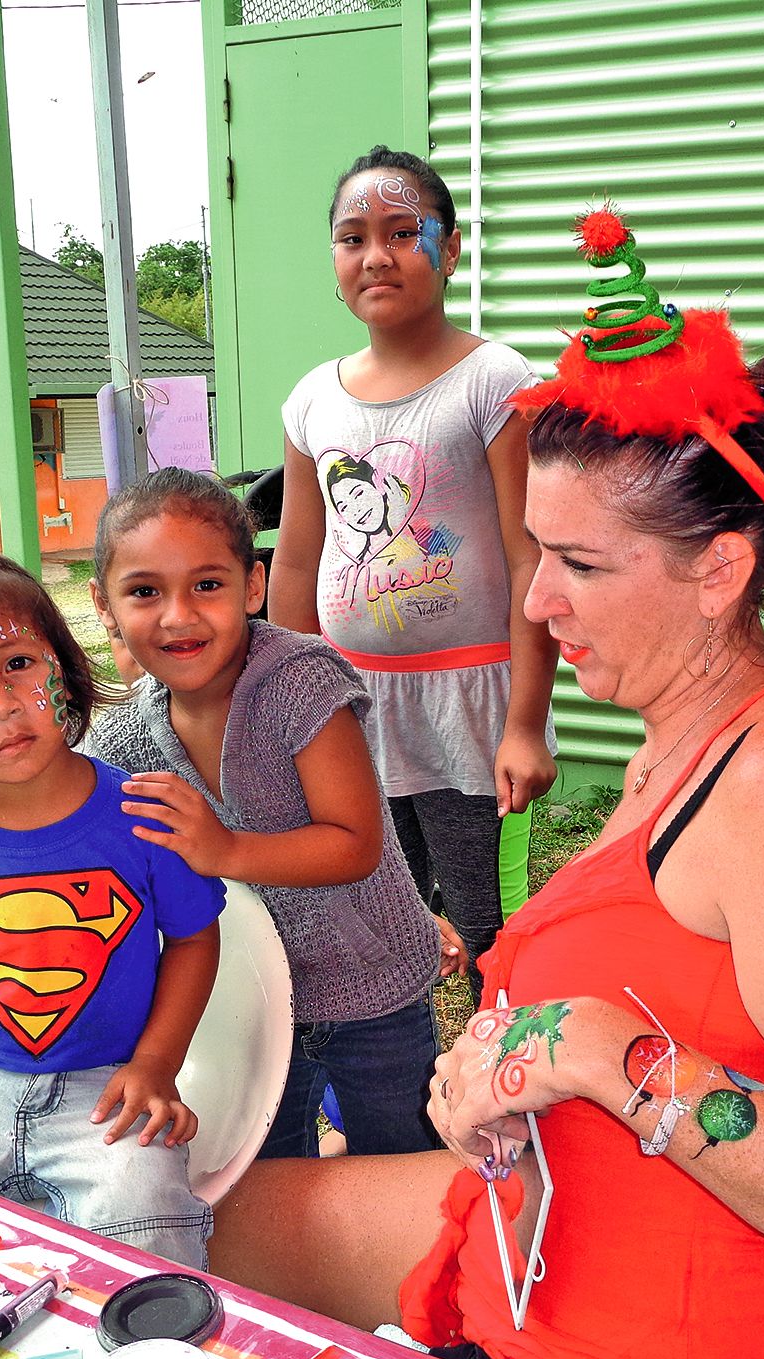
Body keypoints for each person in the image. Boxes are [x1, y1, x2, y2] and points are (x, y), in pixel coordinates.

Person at [210, 210, 764, 1359]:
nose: (532, 600)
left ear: (718, 568)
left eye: (574, 561)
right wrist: (501, 1056)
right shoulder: (677, 740)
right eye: (535, 550)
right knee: (176, 1218)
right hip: (527, 1253)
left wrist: (595, 1051)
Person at [0, 537, 226, 1266]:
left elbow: (194, 937)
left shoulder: (145, 814)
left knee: (145, 1212)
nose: (0, 705)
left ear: (65, 662)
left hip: (110, 1082)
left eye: (17, 665)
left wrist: (157, 1063)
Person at [81, 466, 462, 1158]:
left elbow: (353, 843)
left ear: (251, 585)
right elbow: (54, 807)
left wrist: (223, 849)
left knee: (402, 1162)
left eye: (207, 584)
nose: (178, 614)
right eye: (143, 591)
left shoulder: (298, 679)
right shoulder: (120, 741)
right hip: (248, 1004)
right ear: (103, 604)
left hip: (370, 983)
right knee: (266, 1167)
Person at [269, 145, 557, 1003]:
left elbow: (527, 553)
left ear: (451, 247)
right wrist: (287, 704)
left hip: (471, 708)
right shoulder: (310, 400)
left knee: (485, 923)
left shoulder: (495, 381)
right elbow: (293, 558)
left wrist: (525, 722)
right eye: (352, 237)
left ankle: (504, 1084)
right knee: (369, 907)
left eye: (403, 232)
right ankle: (383, 1075)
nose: (376, 255)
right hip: (352, 709)